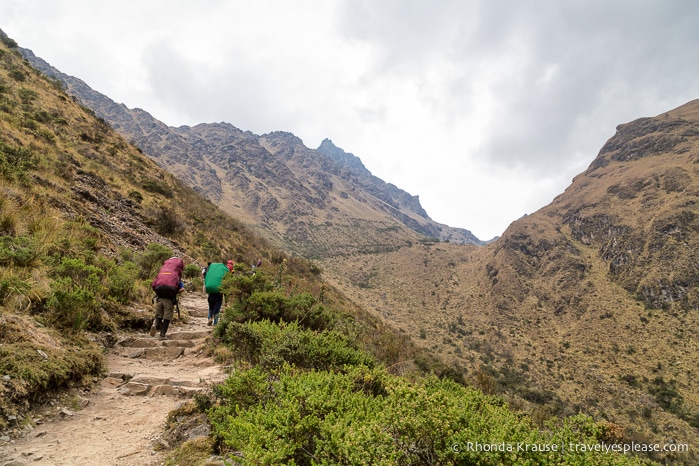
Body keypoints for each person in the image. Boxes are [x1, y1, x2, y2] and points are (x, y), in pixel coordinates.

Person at [150, 257, 185, 340]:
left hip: (159, 298)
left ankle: (154, 324)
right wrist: (175, 292)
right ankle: (162, 335)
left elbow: (154, 285)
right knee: (167, 317)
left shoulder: (162, 274)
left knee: (158, 315)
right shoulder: (175, 277)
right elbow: (182, 289)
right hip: (169, 300)